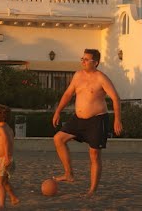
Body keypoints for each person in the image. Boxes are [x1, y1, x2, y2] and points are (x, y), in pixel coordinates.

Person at [52, 48, 123, 197]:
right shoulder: (78, 75)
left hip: (97, 120)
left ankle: (92, 190)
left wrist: (117, 120)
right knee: (58, 139)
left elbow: (116, 98)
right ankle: (68, 174)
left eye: (86, 59)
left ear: (95, 62)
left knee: (94, 155)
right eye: (82, 58)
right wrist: (58, 111)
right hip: (78, 119)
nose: (82, 61)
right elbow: (68, 93)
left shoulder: (101, 78)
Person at [0, 104, 19, 207]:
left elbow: (6, 142)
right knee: (5, 182)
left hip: (5, 159)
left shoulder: (2, 129)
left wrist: (5, 157)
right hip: (6, 157)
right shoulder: (8, 128)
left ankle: (1, 205)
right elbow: (5, 144)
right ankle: (13, 197)